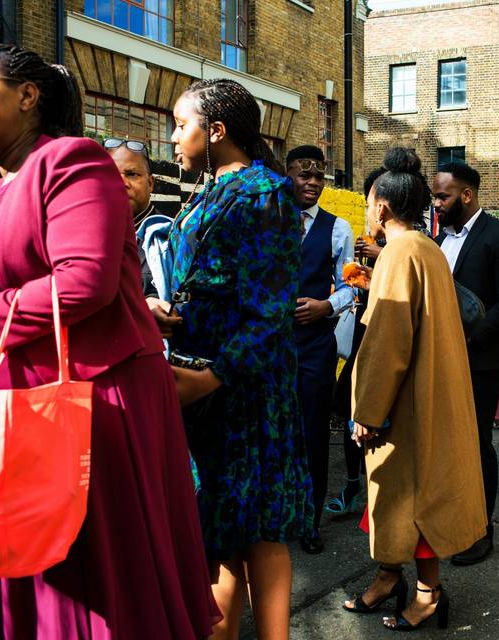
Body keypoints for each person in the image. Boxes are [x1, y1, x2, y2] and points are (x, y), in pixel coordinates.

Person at [0, 44, 217, 638]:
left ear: (29, 97)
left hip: (81, 410)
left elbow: (84, 282)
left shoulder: (71, 161)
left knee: (85, 590)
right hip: (13, 417)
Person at [163, 78, 314, 639]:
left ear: (217, 131)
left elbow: (271, 312)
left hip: (243, 389)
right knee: (223, 532)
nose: (174, 136)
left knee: (259, 530)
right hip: (206, 382)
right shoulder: (214, 193)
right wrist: (173, 311)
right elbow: (215, 283)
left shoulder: (263, 194)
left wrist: (215, 375)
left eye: (182, 124)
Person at [345, 147, 487, 631]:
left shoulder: (399, 252)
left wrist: (366, 410)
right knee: (399, 499)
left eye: (368, 203)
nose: (367, 212)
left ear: (382, 207)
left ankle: (428, 594)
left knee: (412, 499)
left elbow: (387, 343)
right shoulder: (425, 247)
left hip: (405, 403)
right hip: (429, 393)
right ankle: (390, 578)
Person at [433, 162, 499, 565]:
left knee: (476, 444)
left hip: (479, 359)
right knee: (447, 445)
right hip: (440, 357)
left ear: (466, 195)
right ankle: (450, 520)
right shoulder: (439, 238)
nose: (436, 203)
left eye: (443, 196)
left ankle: (480, 530)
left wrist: (467, 340)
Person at [286, 145, 355, 554]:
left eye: (319, 176)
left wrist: (328, 304)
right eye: (303, 174)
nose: (312, 182)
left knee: (312, 431)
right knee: (277, 431)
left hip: (315, 345)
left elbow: (352, 282)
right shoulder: (269, 221)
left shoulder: (338, 228)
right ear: (287, 174)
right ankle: (280, 511)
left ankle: (310, 519)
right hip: (271, 344)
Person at [327, 167, 386, 516]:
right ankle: (353, 486)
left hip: (386, 337)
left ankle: (375, 494)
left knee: (376, 417)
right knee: (346, 405)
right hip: (362, 331)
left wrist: (378, 255)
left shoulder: (410, 237)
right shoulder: (367, 233)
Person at [103, 137, 173, 299]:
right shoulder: (86, 234)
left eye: (132, 174)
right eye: (111, 174)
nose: (121, 183)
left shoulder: (170, 237)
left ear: (150, 183)